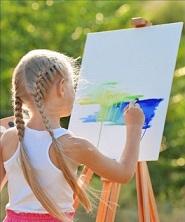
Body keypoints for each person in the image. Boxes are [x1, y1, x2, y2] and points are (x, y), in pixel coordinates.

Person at [0, 22, 146, 222]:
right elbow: (122, 173)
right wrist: (134, 126)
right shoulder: (72, 145)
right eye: (73, 85)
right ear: (62, 88)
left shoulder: (8, 138)